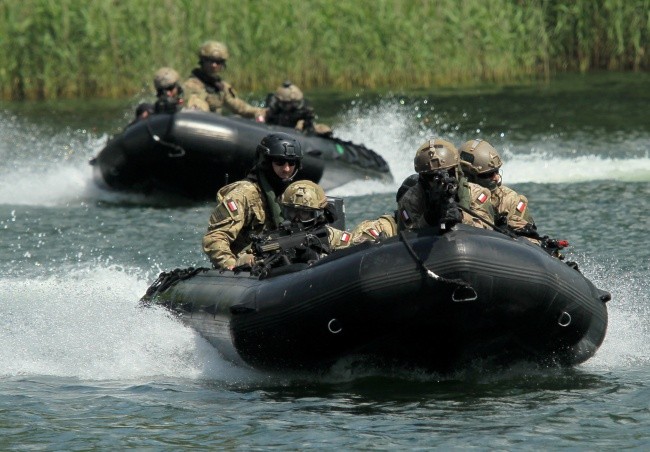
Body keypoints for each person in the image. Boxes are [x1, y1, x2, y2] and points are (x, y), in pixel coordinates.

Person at [202, 132, 303, 270]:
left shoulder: (293, 194)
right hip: (246, 267)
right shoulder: (244, 194)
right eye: (279, 162)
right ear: (266, 162)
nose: (286, 169)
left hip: (280, 260)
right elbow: (215, 237)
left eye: (291, 163)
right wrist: (232, 264)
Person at [397, 138, 495, 232]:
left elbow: (488, 228)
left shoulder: (476, 193)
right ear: (423, 178)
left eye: (448, 173)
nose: (440, 182)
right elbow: (407, 234)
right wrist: (429, 218)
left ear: (456, 171)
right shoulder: (411, 198)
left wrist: (462, 217)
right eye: (431, 177)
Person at [459, 139, 536, 235]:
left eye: (497, 172)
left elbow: (530, 239)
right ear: (468, 176)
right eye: (489, 174)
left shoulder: (509, 199)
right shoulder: (453, 192)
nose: (496, 178)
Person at [183, 40, 266, 119]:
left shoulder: (221, 87)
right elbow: (196, 106)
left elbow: (239, 107)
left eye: (218, 62)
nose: (214, 65)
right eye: (210, 61)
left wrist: (260, 112)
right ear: (202, 61)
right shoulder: (192, 85)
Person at [265, 81, 332, 136]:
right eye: (290, 103)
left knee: (323, 129)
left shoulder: (304, 109)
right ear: (281, 102)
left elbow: (309, 125)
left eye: (295, 103)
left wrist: (301, 126)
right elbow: (268, 119)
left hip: (295, 131)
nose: (293, 105)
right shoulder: (274, 107)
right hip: (276, 128)